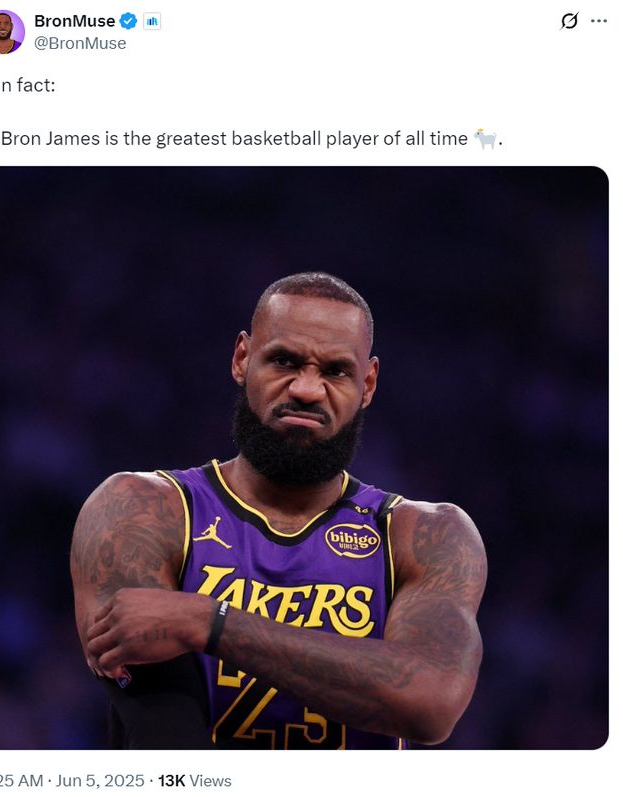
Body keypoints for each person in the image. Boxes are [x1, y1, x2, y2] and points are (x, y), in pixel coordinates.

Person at [71, 272, 487, 749]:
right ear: (242, 359)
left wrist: (209, 621)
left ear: (368, 384)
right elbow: (161, 732)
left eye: (336, 371)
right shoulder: (141, 508)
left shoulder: (426, 535)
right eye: (284, 361)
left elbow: (430, 703)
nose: (307, 389)